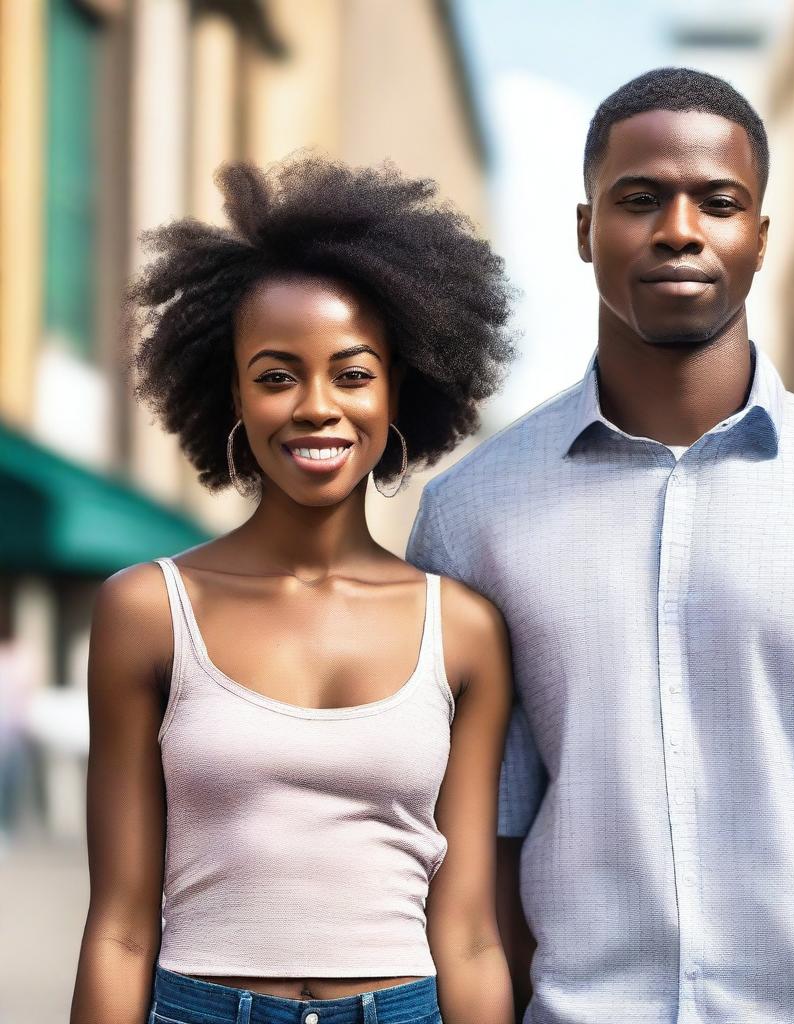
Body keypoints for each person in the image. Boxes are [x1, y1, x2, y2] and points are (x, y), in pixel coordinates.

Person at [407, 68, 794, 1024]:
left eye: (717, 202)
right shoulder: (472, 518)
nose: (678, 228)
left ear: (759, 238)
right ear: (582, 230)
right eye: (638, 198)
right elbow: (488, 838)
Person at [71, 155, 517, 1024]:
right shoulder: (146, 613)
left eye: (353, 374)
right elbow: (120, 928)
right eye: (277, 375)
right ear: (231, 390)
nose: (317, 406)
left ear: (400, 389)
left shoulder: (462, 631)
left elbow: (467, 933)